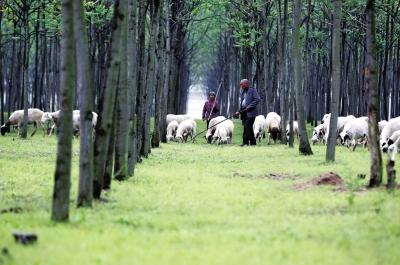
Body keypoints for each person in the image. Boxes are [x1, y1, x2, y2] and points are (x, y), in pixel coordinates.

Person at [235, 79, 260, 146]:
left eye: (242, 84)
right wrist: (239, 111)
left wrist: (249, 106)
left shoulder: (252, 90)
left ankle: (245, 143)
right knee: (249, 128)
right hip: (244, 112)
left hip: (251, 112)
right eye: (240, 84)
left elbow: (257, 99)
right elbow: (243, 103)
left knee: (247, 127)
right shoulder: (243, 92)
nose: (241, 86)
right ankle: (253, 143)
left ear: (246, 84)